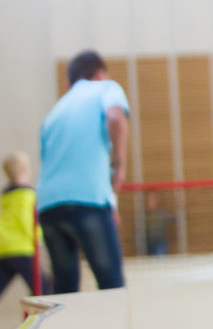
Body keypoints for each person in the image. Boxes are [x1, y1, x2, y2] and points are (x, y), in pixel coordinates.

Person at [37, 50, 130, 292]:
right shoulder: (105, 88)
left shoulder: (54, 112)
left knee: (65, 291)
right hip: (87, 201)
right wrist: (119, 165)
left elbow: (50, 161)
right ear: (100, 74)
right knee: (112, 285)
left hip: (48, 206)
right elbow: (116, 118)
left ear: (69, 82)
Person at [1, 151, 50, 298]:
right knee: (44, 288)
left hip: (4, 247)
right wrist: (38, 238)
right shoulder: (28, 195)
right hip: (22, 248)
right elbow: (28, 220)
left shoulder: (6, 196)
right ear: (25, 170)